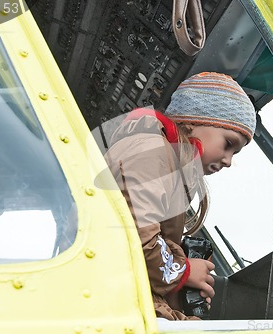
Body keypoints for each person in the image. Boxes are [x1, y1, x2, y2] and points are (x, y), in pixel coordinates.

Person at [104, 72, 256, 320]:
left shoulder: (169, 168)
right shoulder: (150, 151)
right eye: (229, 143)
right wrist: (183, 271)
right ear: (193, 121)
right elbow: (137, 237)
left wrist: (182, 300)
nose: (228, 161)